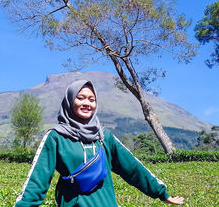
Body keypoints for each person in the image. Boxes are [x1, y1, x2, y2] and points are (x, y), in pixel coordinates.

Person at [14, 80, 185, 206]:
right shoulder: (56, 137)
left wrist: (162, 193)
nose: (87, 103)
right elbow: (37, 180)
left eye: (91, 99)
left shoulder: (105, 137)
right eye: (81, 98)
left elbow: (133, 168)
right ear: (70, 100)